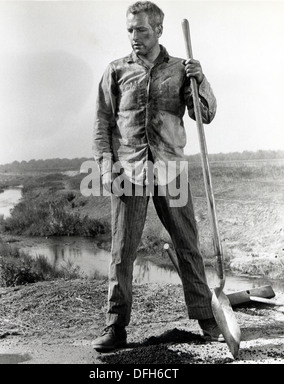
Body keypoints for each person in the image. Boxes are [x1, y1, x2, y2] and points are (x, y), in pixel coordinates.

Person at [92, 1, 223, 352]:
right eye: (131, 30)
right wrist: (105, 165)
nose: (135, 37)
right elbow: (102, 124)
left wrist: (201, 80)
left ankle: (207, 318)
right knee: (122, 252)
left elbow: (204, 115)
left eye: (142, 30)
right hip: (127, 171)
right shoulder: (115, 71)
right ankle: (115, 327)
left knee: (188, 245)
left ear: (159, 30)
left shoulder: (182, 69)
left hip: (171, 170)